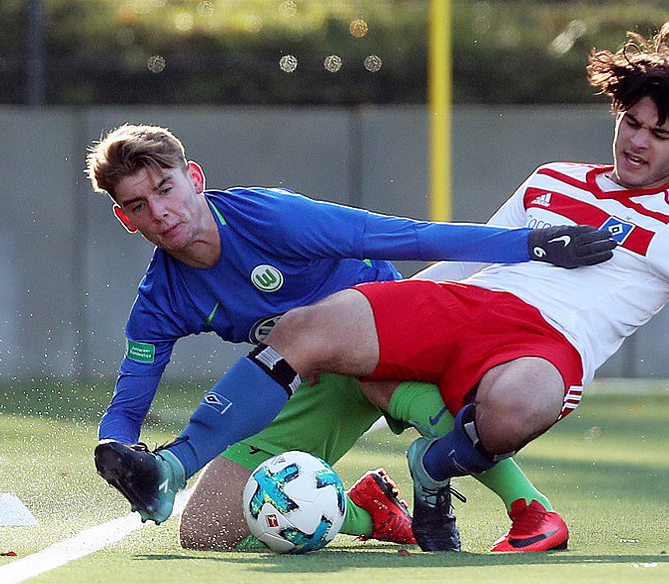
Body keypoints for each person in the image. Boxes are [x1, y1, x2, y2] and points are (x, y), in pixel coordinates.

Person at [101, 21, 669, 552]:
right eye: (631, 122)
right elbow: (472, 257)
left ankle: (434, 471)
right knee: (301, 341)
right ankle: (175, 469)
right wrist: (401, 310)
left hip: (545, 345)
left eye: (659, 133)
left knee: (514, 407)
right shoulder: (553, 179)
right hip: (462, 307)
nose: (637, 140)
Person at [86, 124, 616, 550]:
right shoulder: (160, 299)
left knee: (374, 376)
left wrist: (532, 244)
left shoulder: (272, 218)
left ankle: (531, 510)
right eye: (137, 206)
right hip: (296, 375)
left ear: (193, 178)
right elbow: (128, 402)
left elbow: (403, 235)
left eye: (164, 189)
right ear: (125, 219)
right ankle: (369, 513)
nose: (159, 212)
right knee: (204, 530)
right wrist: (115, 446)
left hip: (386, 341)